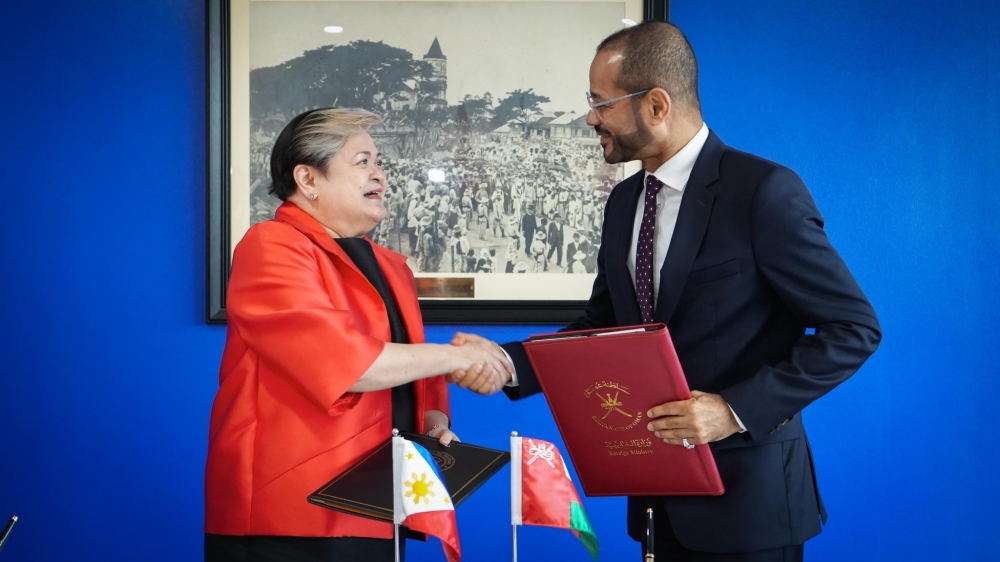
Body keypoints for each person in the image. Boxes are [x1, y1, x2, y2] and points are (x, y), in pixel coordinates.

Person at [450, 22, 881, 561]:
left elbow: (854, 329)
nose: (590, 118)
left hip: (752, 508)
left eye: (601, 103)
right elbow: (602, 327)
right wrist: (507, 364)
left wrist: (733, 410)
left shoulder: (763, 191)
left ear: (656, 105)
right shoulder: (625, 202)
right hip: (656, 502)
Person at [204, 107, 512, 562]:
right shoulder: (271, 246)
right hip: (291, 511)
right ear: (308, 178)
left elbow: (411, 380)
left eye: (380, 162)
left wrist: (435, 426)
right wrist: (457, 357)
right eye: (363, 161)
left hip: (379, 505)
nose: (380, 175)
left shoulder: (391, 266)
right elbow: (348, 364)